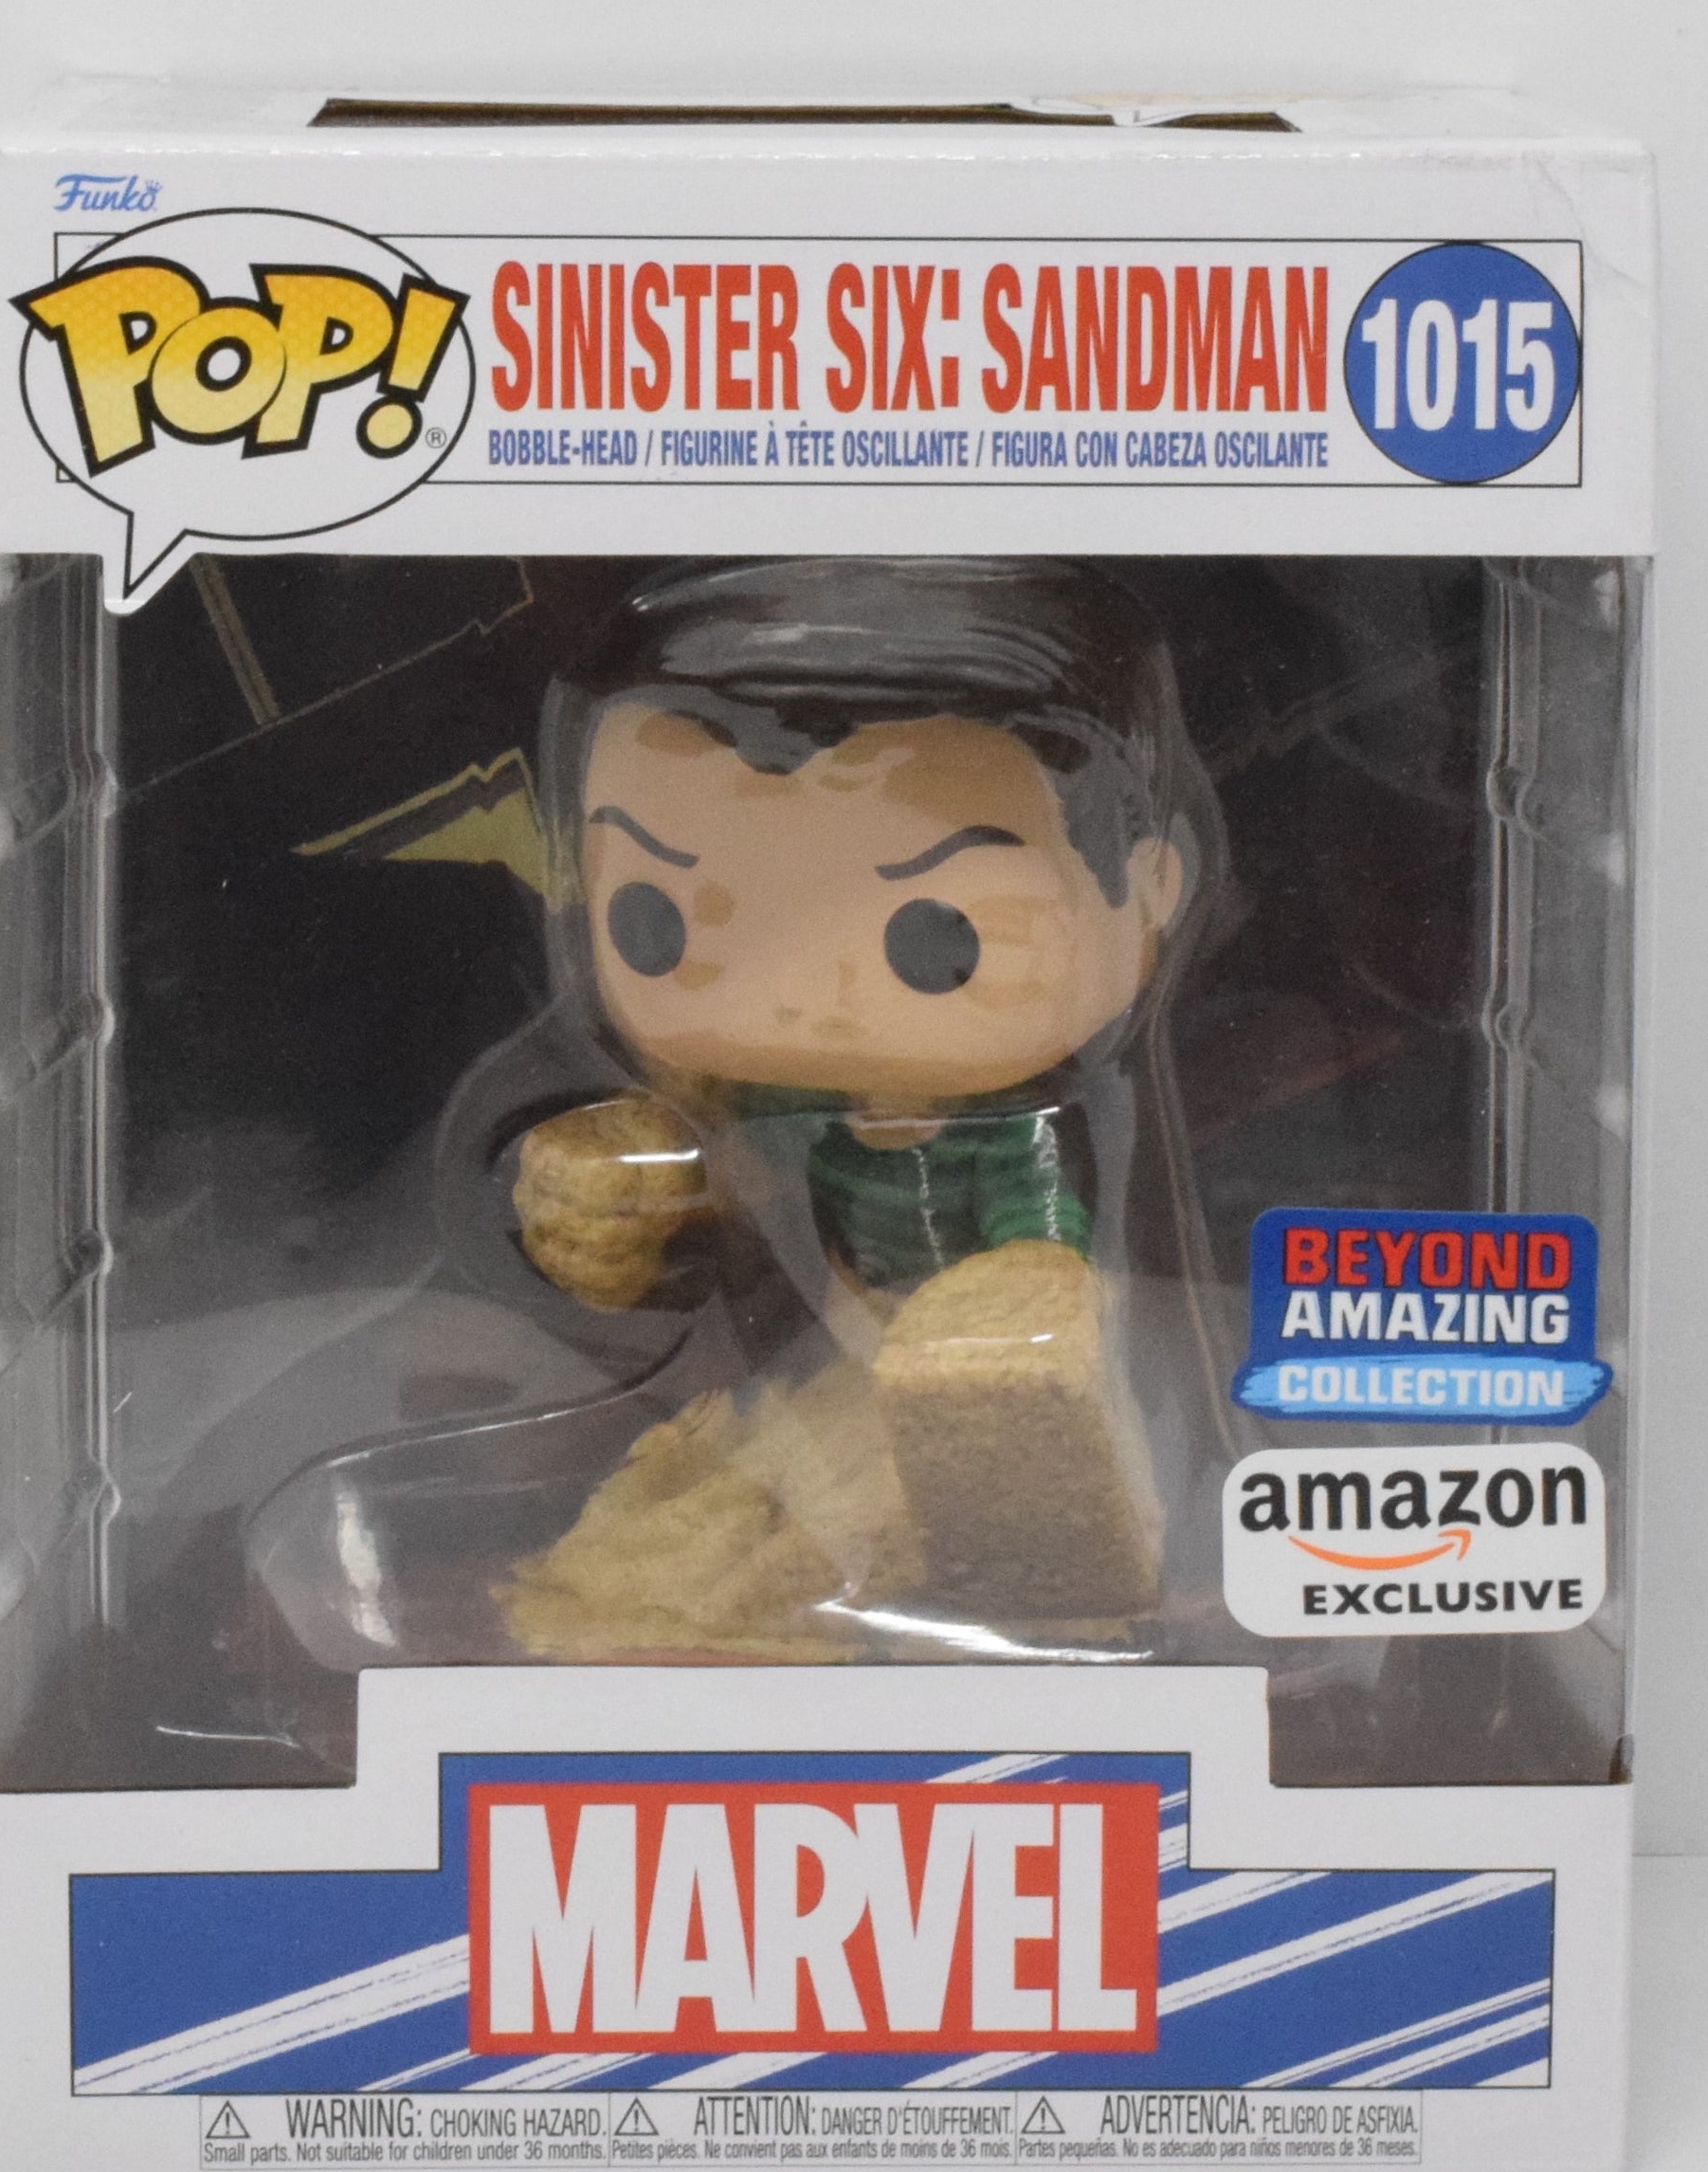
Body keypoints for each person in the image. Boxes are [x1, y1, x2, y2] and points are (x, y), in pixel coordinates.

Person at [498, 557, 1221, 1659]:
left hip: (990, 1411)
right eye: (657, 920)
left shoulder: (1015, 1140)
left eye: (936, 939)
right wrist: (619, 1204)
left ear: (1146, 901)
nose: (802, 993)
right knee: (695, 1542)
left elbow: (1038, 1273)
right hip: (813, 1369)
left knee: (790, 1545)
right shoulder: (767, 1107)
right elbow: (721, 1201)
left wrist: (1012, 1332)